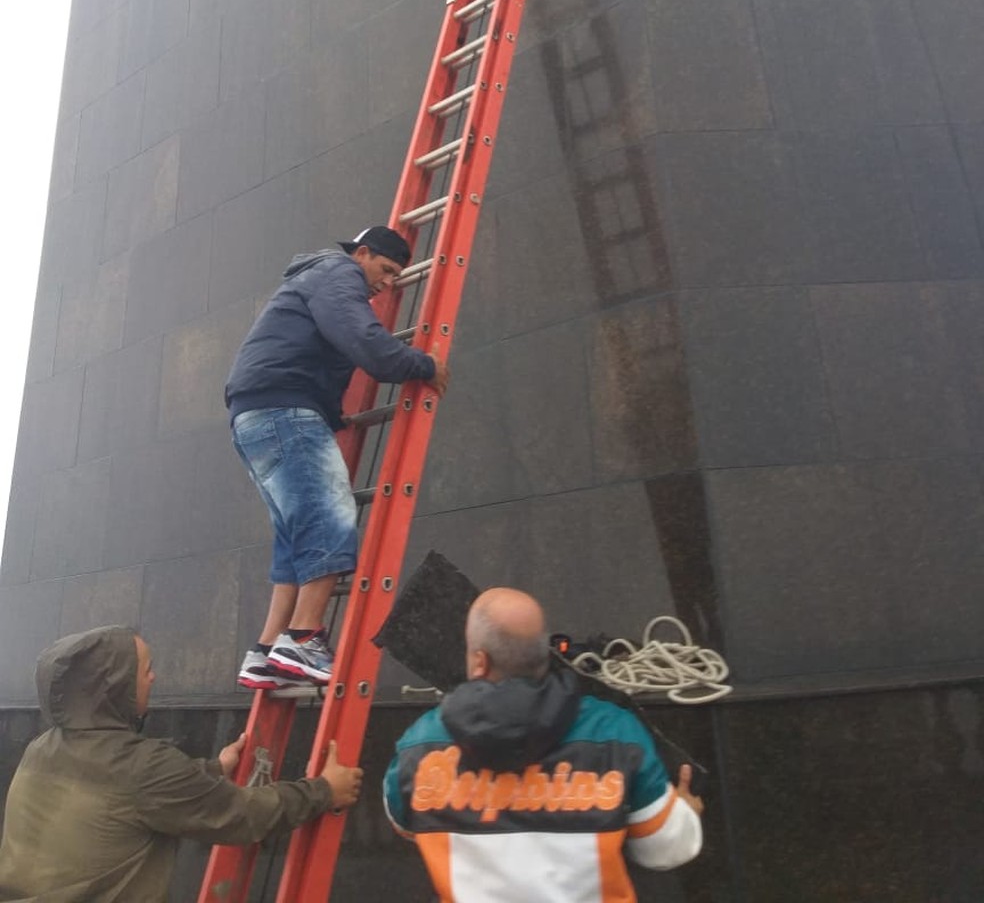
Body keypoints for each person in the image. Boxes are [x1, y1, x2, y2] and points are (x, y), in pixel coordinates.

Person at [225, 225, 450, 690]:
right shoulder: (337, 273)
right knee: (331, 514)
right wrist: (423, 365)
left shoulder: (310, 279)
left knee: (295, 536)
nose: (387, 283)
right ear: (361, 254)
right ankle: (304, 638)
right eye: (385, 270)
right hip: (286, 410)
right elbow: (364, 340)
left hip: (256, 415)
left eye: (396, 276)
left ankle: (267, 651)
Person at [0, 626, 362, 903]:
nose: (154, 678)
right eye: (146, 670)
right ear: (115, 686)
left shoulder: (44, 746)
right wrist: (325, 790)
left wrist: (216, 769)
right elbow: (242, 814)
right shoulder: (142, 767)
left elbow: (130, 794)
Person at [384, 588, 703, 901]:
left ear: (480, 661)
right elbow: (664, 851)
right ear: (543, 653)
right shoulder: (615, 732)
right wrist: (682, 815)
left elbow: (406, 825)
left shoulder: (420, 745)